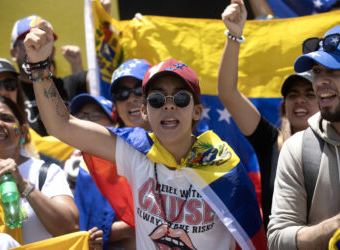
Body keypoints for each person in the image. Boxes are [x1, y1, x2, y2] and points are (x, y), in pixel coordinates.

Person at [22, 20, 266, 249]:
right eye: (157, 99)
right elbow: (61, 126)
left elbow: (251, 237)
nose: (169, 106)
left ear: (197, 111)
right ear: (144, 111)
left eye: (180, 98)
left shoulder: (223, 164)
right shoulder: (135, 149)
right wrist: (40, 67)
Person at [217, 0, 319, 230]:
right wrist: (233, 36)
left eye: (309, 94)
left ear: (324, 104)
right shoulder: (270, 142)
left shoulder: (334, 145)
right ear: (284, 106)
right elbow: (228, 93)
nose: (300, 99)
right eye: (293, 94)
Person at [267, 25, 340, 250]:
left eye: (333, 70)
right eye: (317, 72)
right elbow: (277, 240)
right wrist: (336, 227)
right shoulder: (297, 149)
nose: (319, 82)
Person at [0, 96, 79, 244]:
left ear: (23, 131)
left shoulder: (45, 172)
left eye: (6, 118)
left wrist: (23, 185)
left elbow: (70, 227)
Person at [70, 94, 135, 249]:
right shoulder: (64, 162)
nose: (86, 121)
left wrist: (106, 233)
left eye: (95, 116)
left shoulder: (128, 160)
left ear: (115, 123)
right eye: (81, 116)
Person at [10, 14, 88, 136]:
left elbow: (98, 82)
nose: (36, 46)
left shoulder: (69, 84)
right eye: (27, 42)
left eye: (44, 41)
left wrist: (105, 25)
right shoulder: (5, 89)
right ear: (13, 53)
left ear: (53, 51)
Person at [110, 58, 151, 130]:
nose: (131, 99)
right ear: (115, 105)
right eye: (121, 93)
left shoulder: (177, 138)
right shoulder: (104, 140)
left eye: (140, 89)